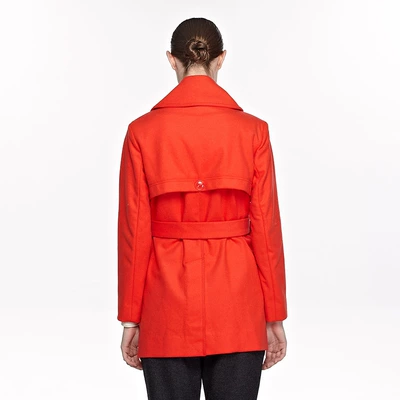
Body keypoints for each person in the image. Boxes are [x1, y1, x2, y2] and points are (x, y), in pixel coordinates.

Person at [117, 17, 288, 400]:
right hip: (239, 305)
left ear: (171, 59)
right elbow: (266, 229)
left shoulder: (142, 132)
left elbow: (134, 232)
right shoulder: (253, 131)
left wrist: (131, 317)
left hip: (165, 305)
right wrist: (274, 313)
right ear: (221, 58)